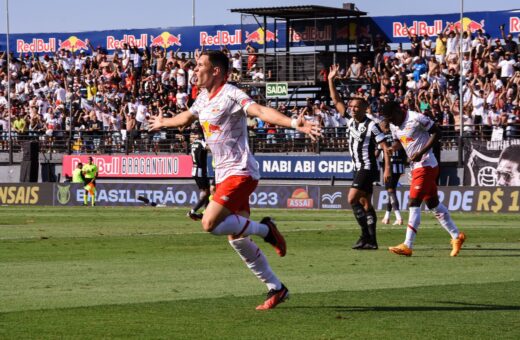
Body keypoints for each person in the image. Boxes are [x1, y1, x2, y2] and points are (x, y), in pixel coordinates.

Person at [148, 50, 320, 310]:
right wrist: (165, 122)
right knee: (237, 238)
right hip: (223, 174)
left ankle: (266, 230)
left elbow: (259, 110)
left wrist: (295, 123)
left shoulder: (231, 93)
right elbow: (187, 117)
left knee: (209, 224)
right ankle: (277, 288)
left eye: (200, 65)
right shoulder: (203, 97)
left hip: (240, 172)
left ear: (216, 70)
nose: (195, 70)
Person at [381, 101, 466, 257]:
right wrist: (393, 148)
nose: (389, 121)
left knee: (414, 201)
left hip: (426, 164)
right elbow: (400, 141)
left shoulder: (416, 118)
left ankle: (408, 245)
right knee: (433, 204)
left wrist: (422, 151)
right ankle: (456, 236)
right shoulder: (394, 125)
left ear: (397, 110)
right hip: (416, 167)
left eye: (390, 117)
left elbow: (437, 132)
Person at [328, 64, 391, 250]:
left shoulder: (372, 125)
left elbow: (385, 147)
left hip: (368, 167)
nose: (353, 109)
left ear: (365, 108)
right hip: (357, 167)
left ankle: (364, 235)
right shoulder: (349, 120)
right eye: (351, 106)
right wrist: (331, 80)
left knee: (352, 199)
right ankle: (372, 241)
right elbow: (335, 98)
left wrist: (387, 168)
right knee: (365, 204)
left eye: (357, 107)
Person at [378, 120, 406, 226]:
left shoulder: (382, 137)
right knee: (391, 191)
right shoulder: (396, 135)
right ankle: (387, 217)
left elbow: (379, 152)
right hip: (399, 165)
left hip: (389, 166)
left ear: (382, 127)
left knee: (390, 191)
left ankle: (399, 217)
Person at [187, 132, 210, 220]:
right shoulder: (201, 142)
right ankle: (192, 211)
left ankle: (207, 212)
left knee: (206, 192)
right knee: (206, 193)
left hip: (194, 170)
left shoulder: (193, 144)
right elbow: (208, 148)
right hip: (200, 171)